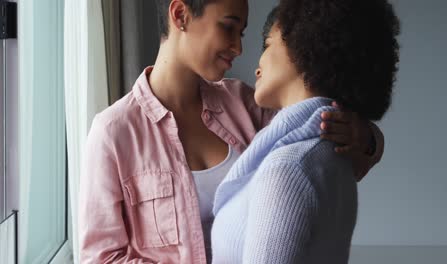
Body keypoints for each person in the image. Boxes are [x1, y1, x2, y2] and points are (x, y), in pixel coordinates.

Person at [78, 0, 385, 263]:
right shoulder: (113, 132)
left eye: (242, 34)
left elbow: (317, 157)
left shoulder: (245, 103)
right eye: (228, 27)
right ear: (180, 15)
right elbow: (100, 257)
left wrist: (364, 137)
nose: (238, 48)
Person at [211, 0, 400, 263]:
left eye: (267, 44)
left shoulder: (288, 167)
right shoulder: (329, 156)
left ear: (301, 44)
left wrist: (369, 140)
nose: (257, 64)